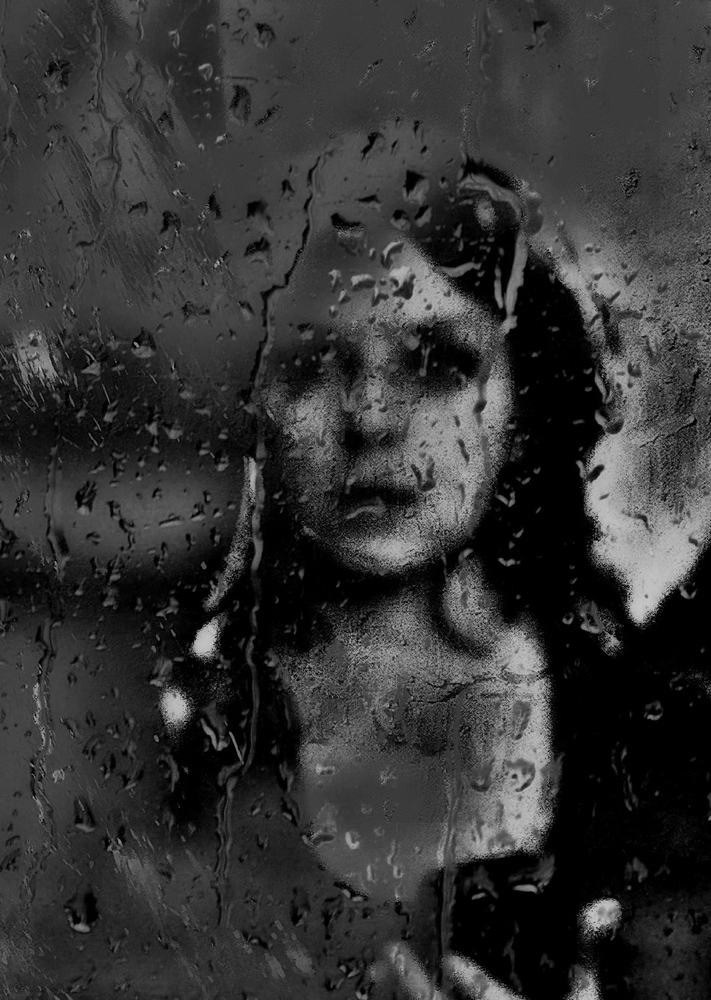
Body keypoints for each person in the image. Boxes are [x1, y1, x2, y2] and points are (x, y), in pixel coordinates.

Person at [163, 121, 625, 999]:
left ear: (523, 399)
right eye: (311, 365)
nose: (370, 416)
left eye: (438, 363)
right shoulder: (197, 709)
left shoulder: (624, 715)